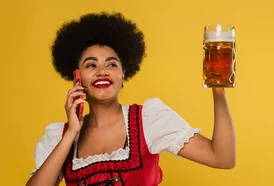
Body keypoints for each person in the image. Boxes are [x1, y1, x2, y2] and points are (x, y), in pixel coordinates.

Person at [26, 12, 236, 186]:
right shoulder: (59, 137)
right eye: (91, 65)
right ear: (77, 78)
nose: (102, 71)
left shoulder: (148, 120)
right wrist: (71, 133)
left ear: (123, 76)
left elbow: (222, 158)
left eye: (111, 64)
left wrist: (218, 89)